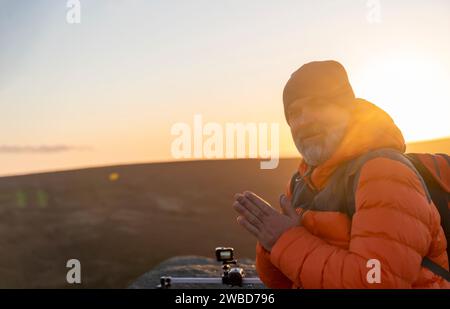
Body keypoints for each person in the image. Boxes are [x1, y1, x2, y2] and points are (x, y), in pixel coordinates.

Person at [232, 60, 449, 288]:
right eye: (294, 114)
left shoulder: (384, 173)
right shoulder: (301, 182)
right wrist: (271, 241)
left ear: (348, 110)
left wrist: (285, 240)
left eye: (317, 105)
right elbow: (280, 281)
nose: (304, 121)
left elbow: (377, 280)